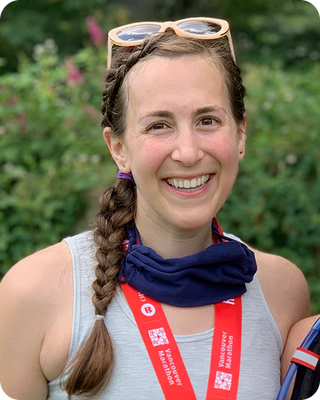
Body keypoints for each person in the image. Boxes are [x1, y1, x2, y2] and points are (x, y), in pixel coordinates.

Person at [0, 17, 311, 400]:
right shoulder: (33, 292)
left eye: (208, 120)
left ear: (240, 132)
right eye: (158, 126)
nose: (189, 151)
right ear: (118, 148)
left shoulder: (283, 292)